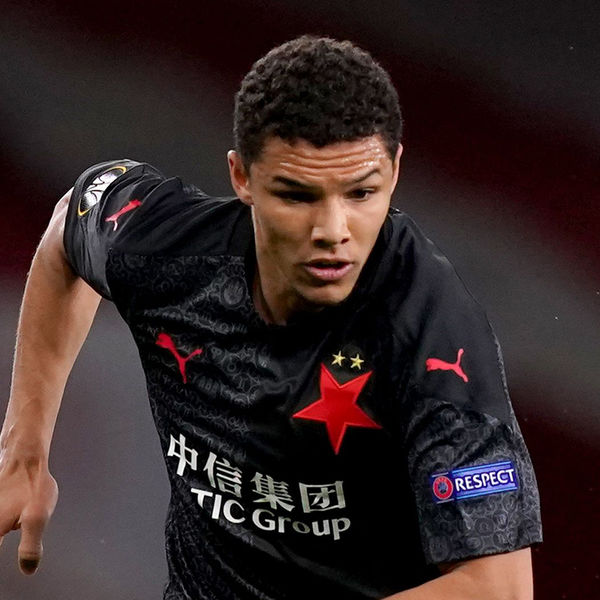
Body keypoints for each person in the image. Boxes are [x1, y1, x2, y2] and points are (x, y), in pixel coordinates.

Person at [0, 35, 542, 599]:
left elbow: (498, 589)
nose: (332, 231)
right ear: (242, 177)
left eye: (361, 193)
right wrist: (23, 451)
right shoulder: (171, 255)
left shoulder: (431, 330)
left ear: (395, 170)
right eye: (297, 195)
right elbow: (70, 224)